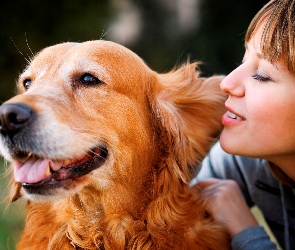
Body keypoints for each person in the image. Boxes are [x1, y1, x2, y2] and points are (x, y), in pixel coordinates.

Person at [190, 0, 295, 249]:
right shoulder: (250, 163)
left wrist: (247, 233)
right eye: (244, 60)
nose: (227, 83)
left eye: (262, 75)